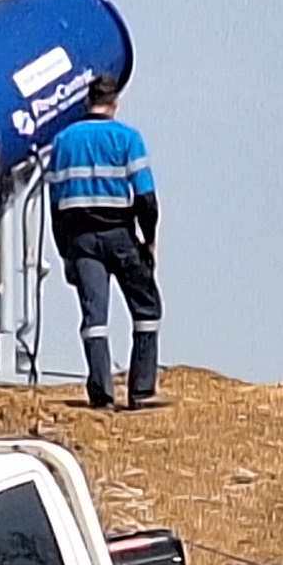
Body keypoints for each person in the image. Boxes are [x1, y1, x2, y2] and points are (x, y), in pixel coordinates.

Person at [42, 87, 163, 410]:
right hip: (120, 235)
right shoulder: (128, 139)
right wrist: (149, 239)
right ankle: (142, 392)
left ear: (87, 102)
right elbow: (146, 198)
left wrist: (65, 252)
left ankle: (101, 395)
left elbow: (55, 206)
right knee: (147, 310)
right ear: (115, 103)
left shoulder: (62, 141)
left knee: (94, 317)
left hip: (80, 240)